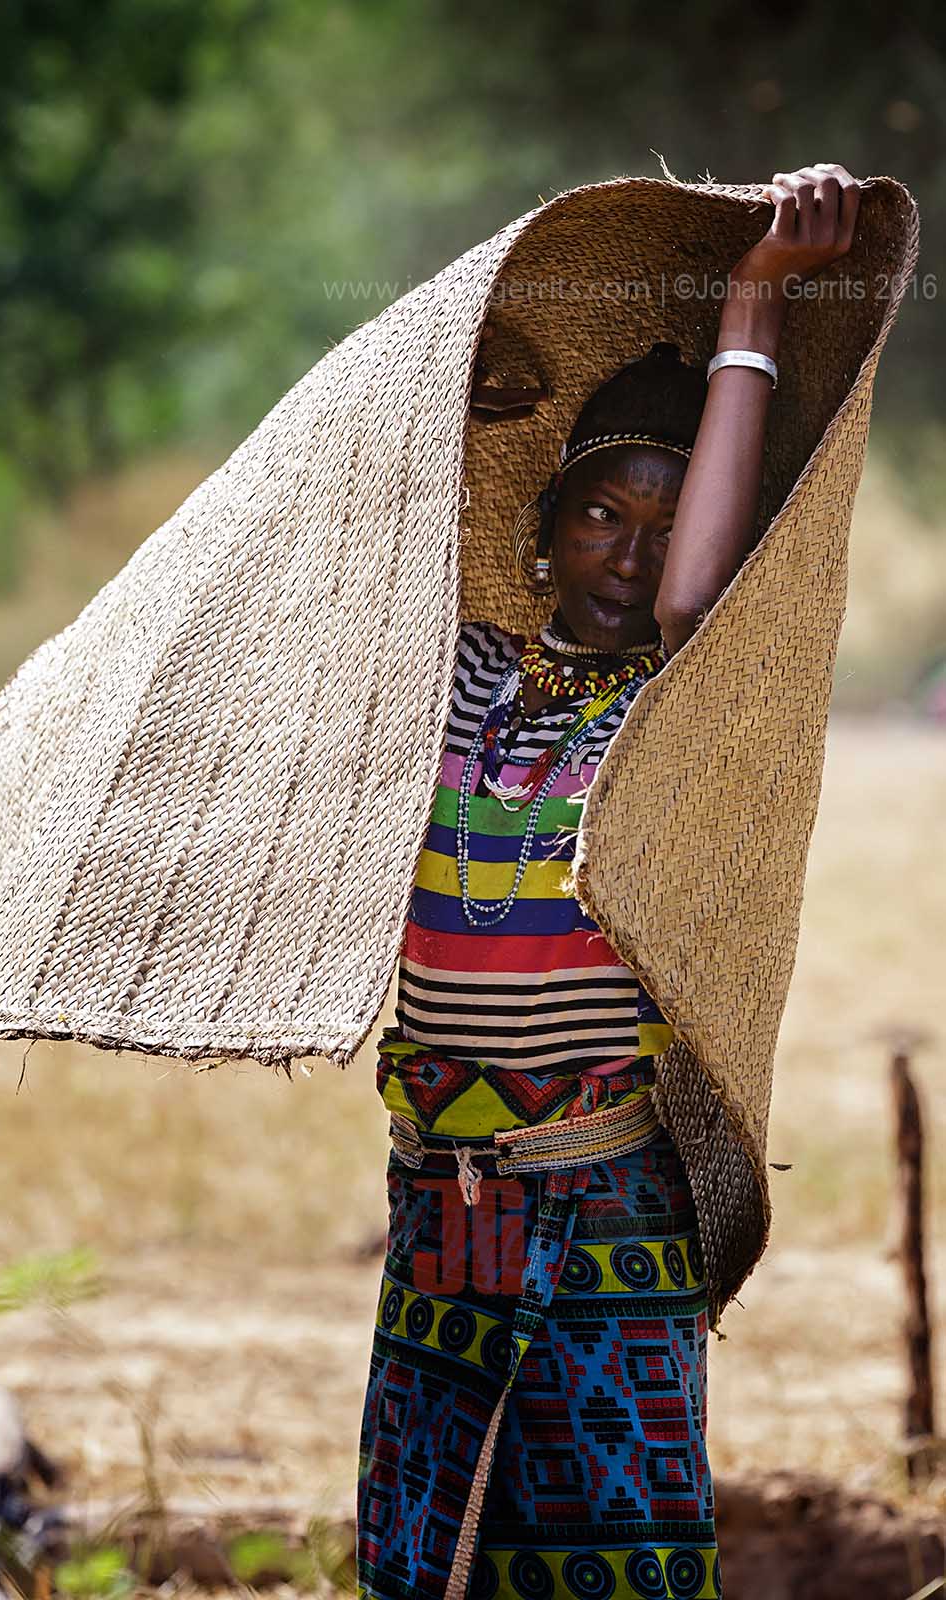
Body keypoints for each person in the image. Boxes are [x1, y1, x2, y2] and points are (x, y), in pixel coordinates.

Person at [355, 163, 860, 1600]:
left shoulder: (673, 713)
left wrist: (752, 304)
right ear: (547, 527)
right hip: (445, 1188)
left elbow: (695, 597)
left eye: (663, 515)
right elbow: (380, 543)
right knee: (430, 1541)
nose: (630, 555)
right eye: (600, 516)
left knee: (616, 1548)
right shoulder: (459, 682)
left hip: (605, 1187)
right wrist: (456, 381)